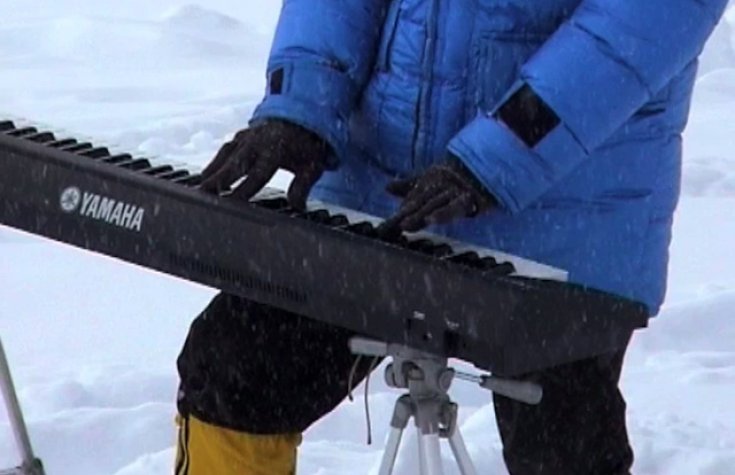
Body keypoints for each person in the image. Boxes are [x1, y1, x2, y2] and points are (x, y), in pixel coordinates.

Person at [173, 1, 728, 473]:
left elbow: (635, 32)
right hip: (381, 199)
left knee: (564, 444)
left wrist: (498, 160)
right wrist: (300, 105)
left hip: (564, 222)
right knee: (233, 371)